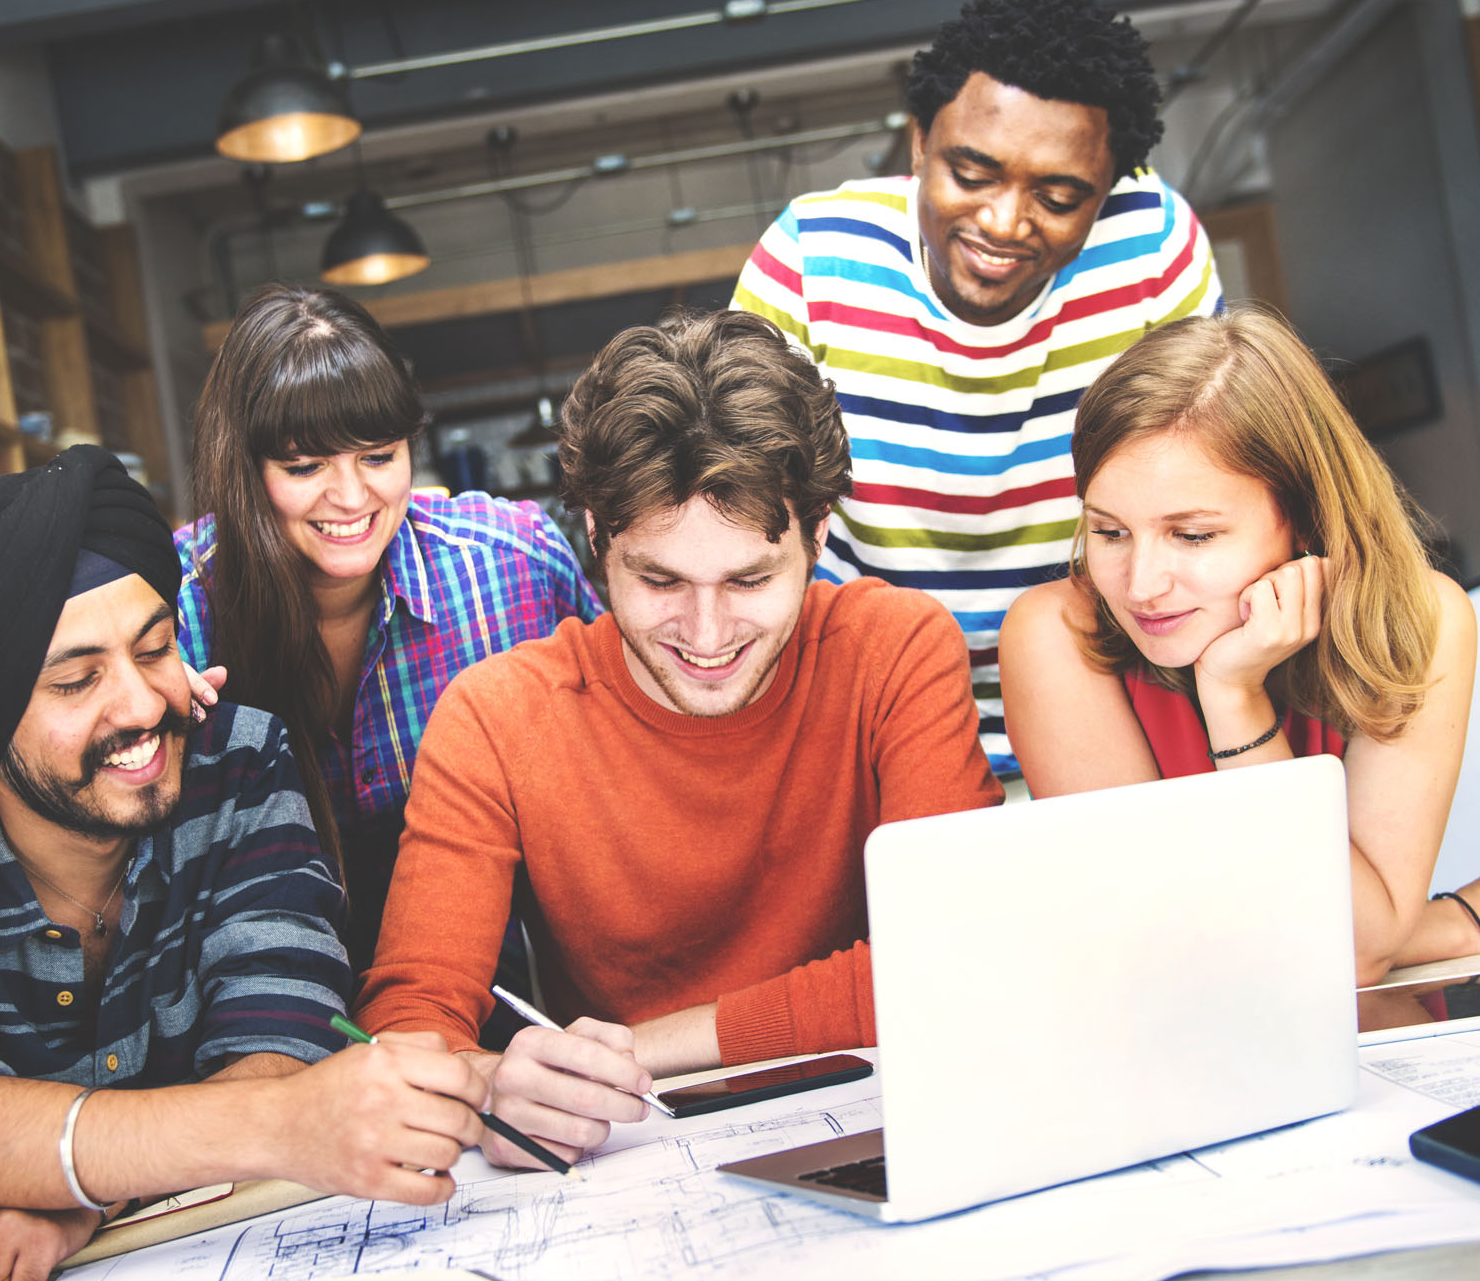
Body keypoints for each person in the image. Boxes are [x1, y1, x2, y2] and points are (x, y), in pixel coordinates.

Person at [0, 447, 489, 1281]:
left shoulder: (235, 767)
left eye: (155, 649)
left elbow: (284, 1042)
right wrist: (258, 1128)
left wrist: (71, 1196)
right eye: (78, 680)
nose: (145, 706)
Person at [356, 309, 1001, 1168]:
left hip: (893, 1130)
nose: (705, 633)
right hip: (630, 1163)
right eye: (658, 578)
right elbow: (410, 1026)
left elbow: (952, 956)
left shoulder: (895, 648)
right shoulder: (497, 717)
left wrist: (628, 1052)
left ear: (816, 533)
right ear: (595, 537)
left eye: (749, 579)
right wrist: (488, 1088)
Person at [997, 309, 1480, 984]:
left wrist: (1234, 696)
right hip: (1178, 1053)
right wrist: (1459, 924)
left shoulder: (1423, 617)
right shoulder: (1054, 633)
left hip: (1391, 1052)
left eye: (1192, 536)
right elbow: (1158, 946)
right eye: (1110, 532)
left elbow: (1353, 947)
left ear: (1303, 517)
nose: (1142, 585)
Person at [733, 0, 1223, 773]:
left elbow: (1215, 482)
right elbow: (747, 511)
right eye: (972, 173)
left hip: (1109, 704)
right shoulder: (810, 258)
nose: (1003, 222)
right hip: (870, 719)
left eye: (1060, 197)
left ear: (1108, 189)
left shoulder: (1154, 248)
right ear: (920, 142)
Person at [174, 285, 601, 968]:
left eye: (378, 455)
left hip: (489, 998)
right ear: (243, 471)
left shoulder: (510, 566)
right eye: (305, 466)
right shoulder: (173, 612)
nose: (351, 498)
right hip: (255, 1012)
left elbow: (628, 741)